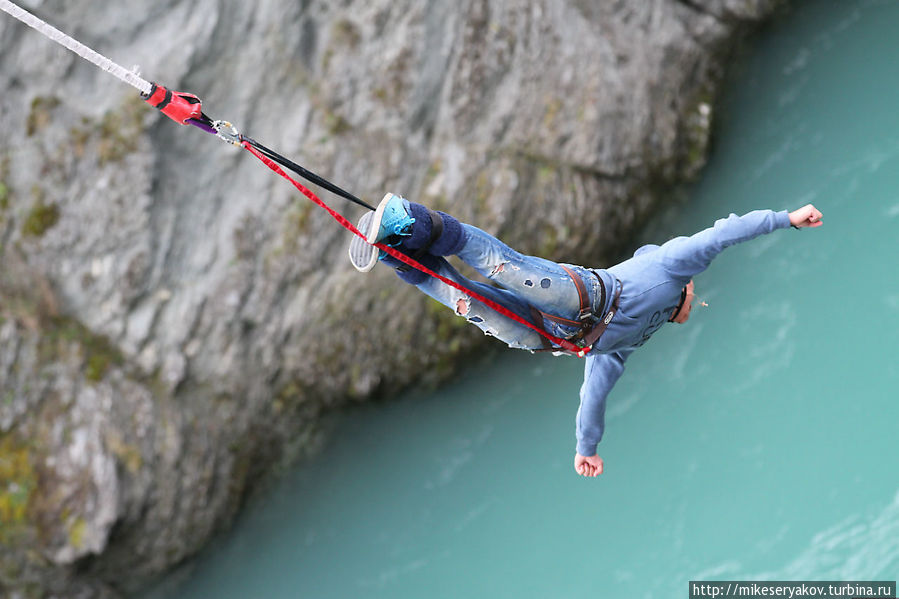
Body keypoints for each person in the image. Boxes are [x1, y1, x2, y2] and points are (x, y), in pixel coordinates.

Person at [348, 195, 824, 477]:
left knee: (465, 299)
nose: (696, 304)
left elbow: (593, 396)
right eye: (695, 297)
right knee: (503, 266)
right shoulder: (671, 267)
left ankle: (393, 252)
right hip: (582, 298)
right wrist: (786, 218)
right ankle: (411, 220)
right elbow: (723, 234)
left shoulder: (627, 345)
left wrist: (586, 447)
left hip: (548, 337)